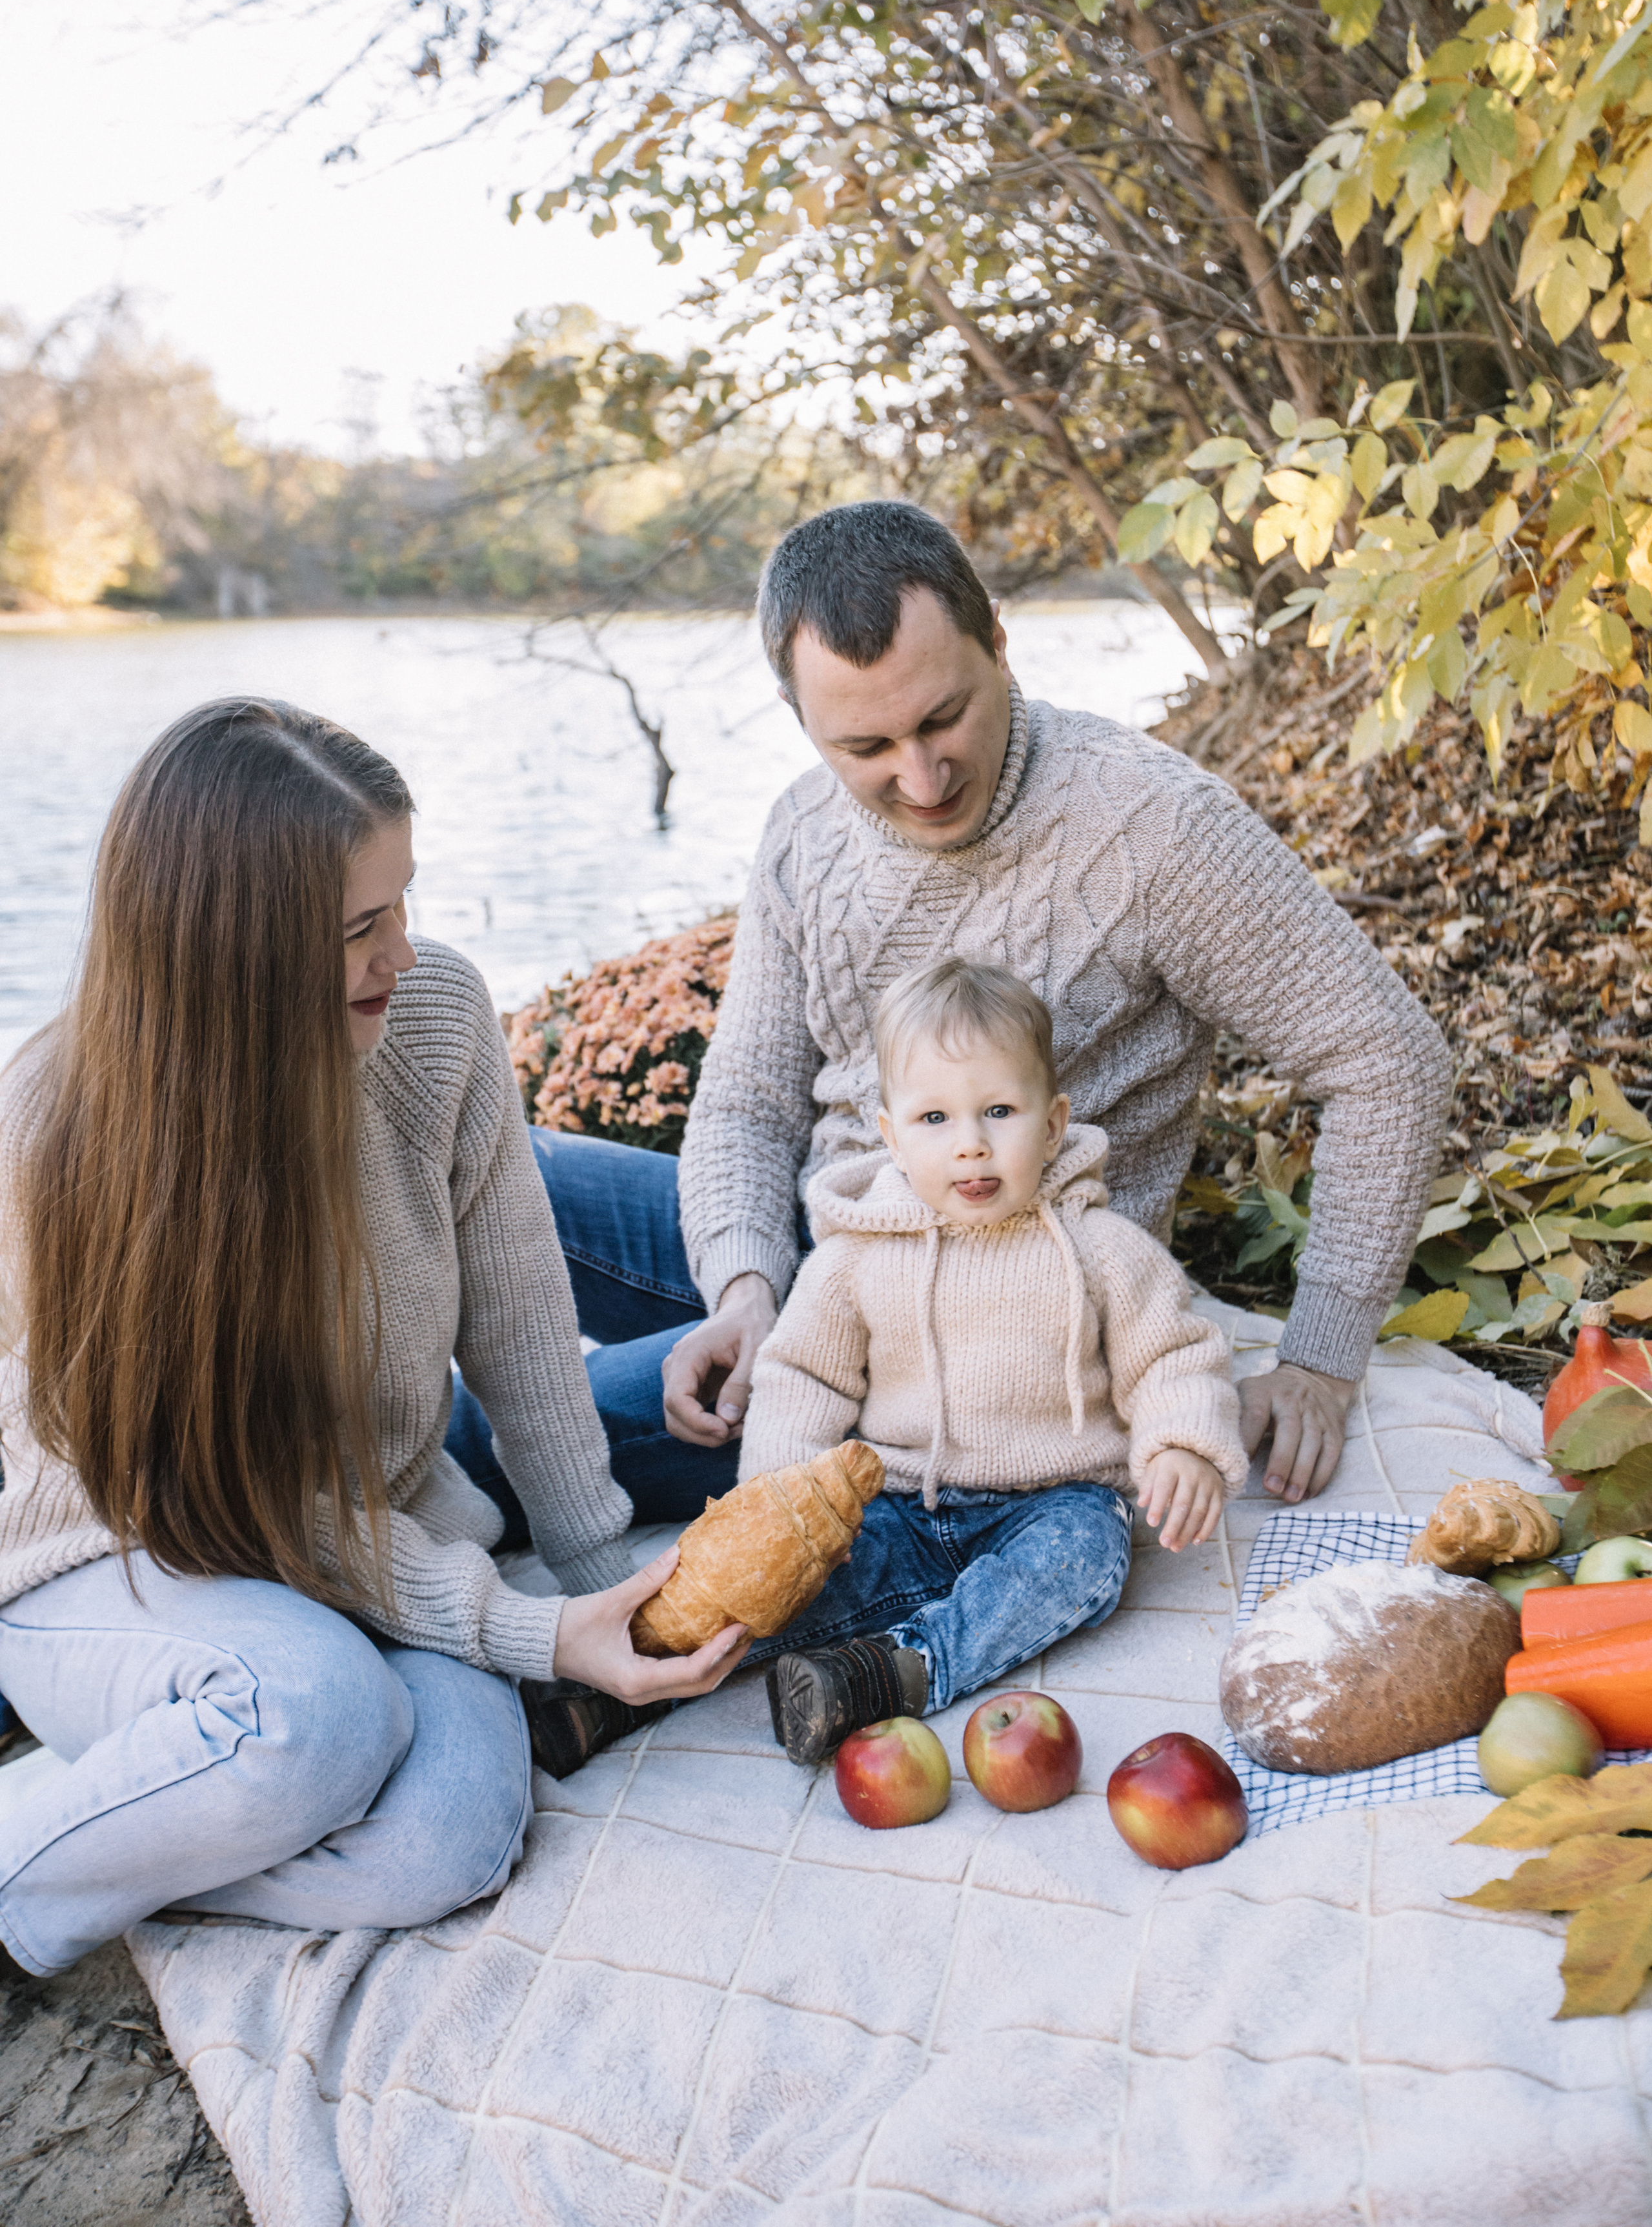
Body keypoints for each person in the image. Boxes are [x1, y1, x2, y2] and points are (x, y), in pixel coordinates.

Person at [454, 499, 1449, 1526]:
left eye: (943, 719)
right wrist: (744, 1289)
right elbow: (749, 1102)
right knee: (465, 1163)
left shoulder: (1157, 829)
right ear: (798, 714)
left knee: (461, 1447)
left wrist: (1321, 1360)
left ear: (998, 643)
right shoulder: (803, 828)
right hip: (822, 1256)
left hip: (967, 1338)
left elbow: (1389, 1063)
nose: (922, 779)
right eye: (867, 745)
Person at [0, 700, 744, 1982]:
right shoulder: (61, 1129)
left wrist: (594, 1595)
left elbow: (523, 1328)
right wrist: (522, 1633)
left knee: (454, 1837)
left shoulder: (434, 1016)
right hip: (119, 1555)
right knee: (322, 1715)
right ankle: (41, 1866)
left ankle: (153, 1811)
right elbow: (238, 1504)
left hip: (372, 1531)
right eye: (358, 929)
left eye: (401, 903)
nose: (401, 952)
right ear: (230, 948)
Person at [738, 958, 1245, 1762]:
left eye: (1000, 1112)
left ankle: (893, 1673)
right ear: (891, 1136)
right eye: (934, 1119)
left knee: (1086, 1558)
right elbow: (802, 1377)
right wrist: (777, 1502)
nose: (971, 1145)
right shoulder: (854, 1259)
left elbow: (1172, 1357)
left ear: (1052, 1125)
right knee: (783, 1587)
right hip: (901, 1505)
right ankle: (623, 1683)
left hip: (1052, 1502)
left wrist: (1182, 1444)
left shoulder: (1100, 1248)